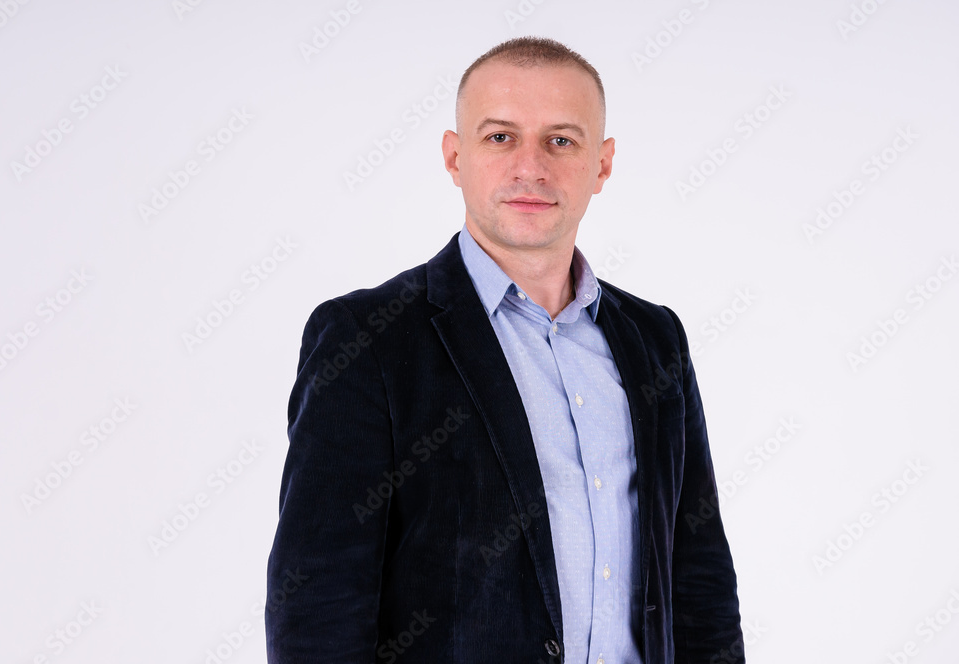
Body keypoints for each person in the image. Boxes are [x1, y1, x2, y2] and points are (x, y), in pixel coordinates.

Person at [266, 36, 744, 664]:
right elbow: (318, 604)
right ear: (454, 156)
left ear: (601, 166)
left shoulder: (654, 339)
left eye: (561, 140)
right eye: (500, 137)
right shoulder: (368, 338)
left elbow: (698, 570)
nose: (531, 167)